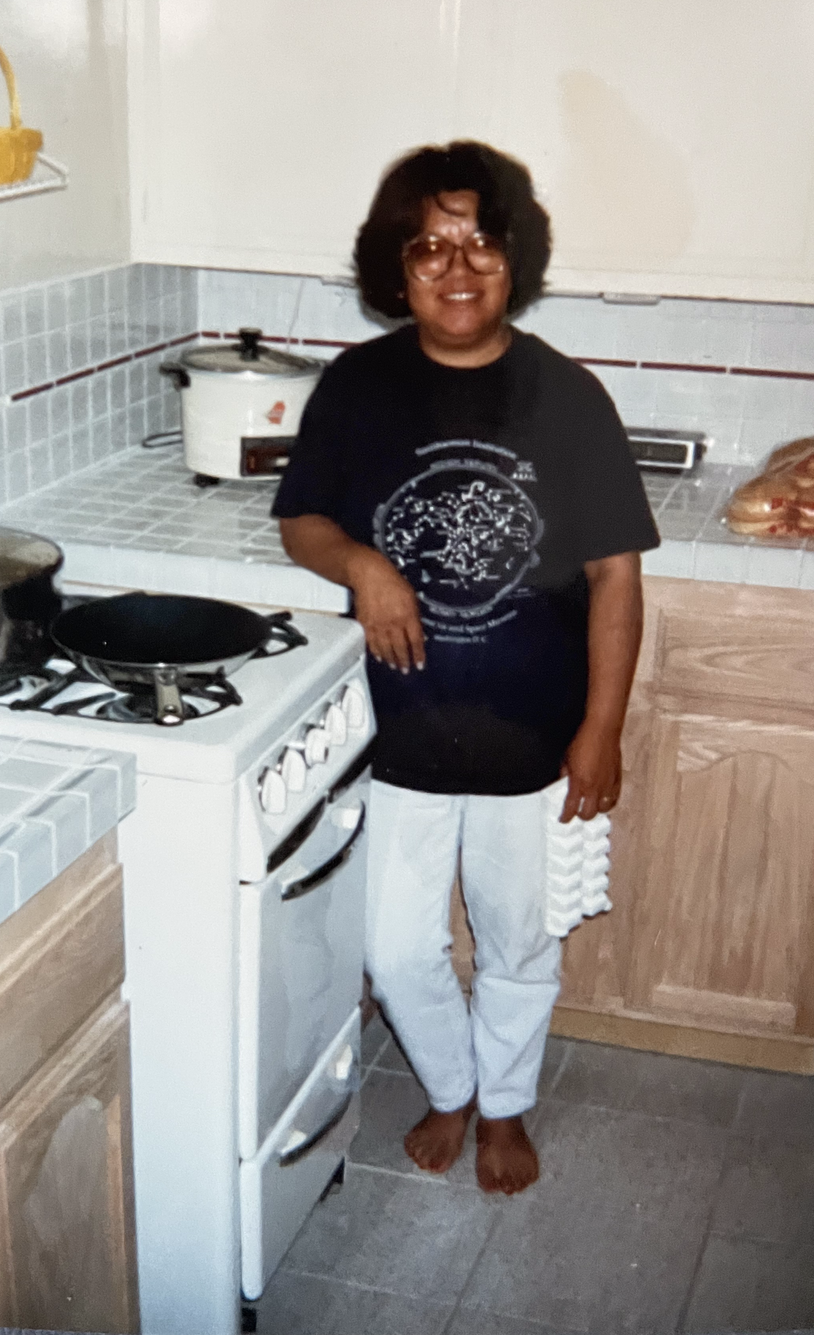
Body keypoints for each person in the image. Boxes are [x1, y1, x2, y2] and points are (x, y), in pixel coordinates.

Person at [272, 141, 660, 1194]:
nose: (456, 266)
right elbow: (301, 518)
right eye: (429, 245)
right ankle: (448, 1081)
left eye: (481, 241)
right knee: (396, 949)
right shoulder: (357, 386)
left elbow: (617, 580)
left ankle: (502, 1106)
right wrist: (364, 564)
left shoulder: (568, 397)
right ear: (395, 269)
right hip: (393, 729)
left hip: (534, 736)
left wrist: (602, 728)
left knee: (518, 939)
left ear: (515, 258)